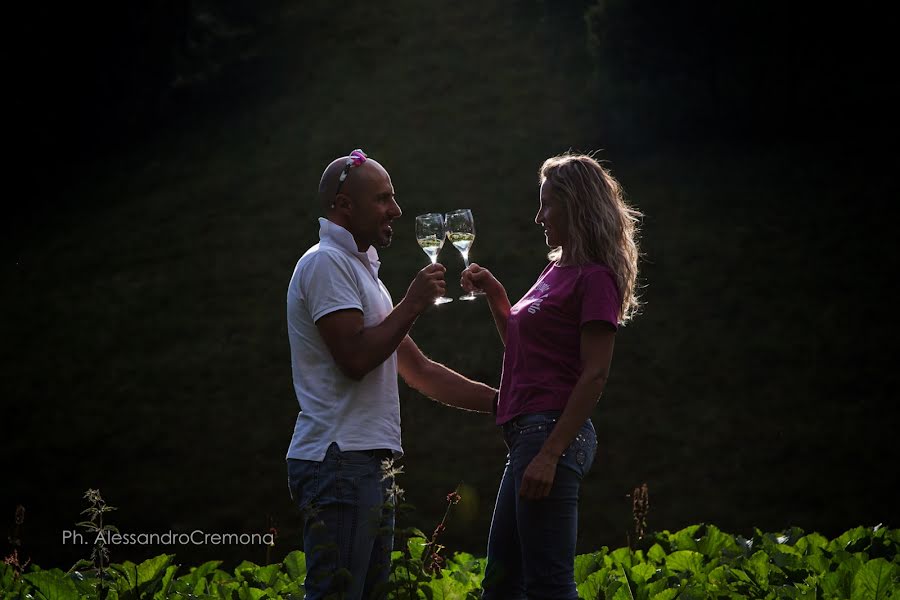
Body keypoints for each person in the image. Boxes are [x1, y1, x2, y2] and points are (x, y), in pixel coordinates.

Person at [285, 149, 497, 600]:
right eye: (383, 199)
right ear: (344, 206)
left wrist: (504, 402)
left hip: (366, 462)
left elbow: (419, 370)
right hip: (338, 460)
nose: (396, 211)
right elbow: (355, 359)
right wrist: (413, 304)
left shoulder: (363, 273)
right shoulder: (325, 263)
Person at [461, 152, 642, 600]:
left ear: (575, 206)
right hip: (526, 436)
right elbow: (524, 350)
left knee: (548, 586)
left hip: (550, 435)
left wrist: (550, 454)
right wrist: (496, 293)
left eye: (547, 205)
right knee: (502, 586)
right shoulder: (556, 269)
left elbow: (595, 374)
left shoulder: (596, 279)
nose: (538, 216)